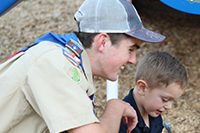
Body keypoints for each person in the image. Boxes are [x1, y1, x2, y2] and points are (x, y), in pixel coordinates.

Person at [0, 0, 166, 133]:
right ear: (103, 42)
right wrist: (115, 106)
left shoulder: (67, 61)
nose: (133, 60)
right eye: (130, 50)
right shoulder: (54, 63)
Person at [119, 51, 188, 133]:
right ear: (142, 88)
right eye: (165, 100)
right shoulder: (123, 120)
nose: (169, 107)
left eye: (173, 101)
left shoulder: (154, 114)